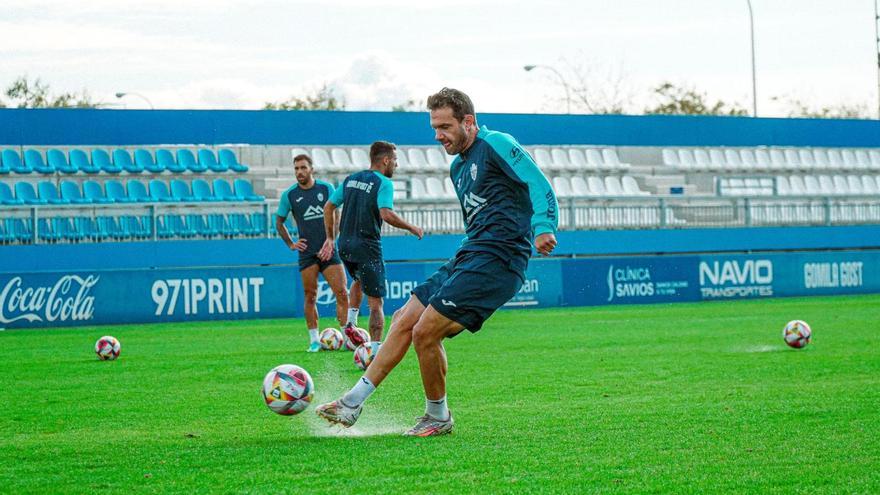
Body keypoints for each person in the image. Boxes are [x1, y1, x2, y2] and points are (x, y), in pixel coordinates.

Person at [316, 87, 558, 436]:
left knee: (425, 331)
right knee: (403, 318)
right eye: (434, 127)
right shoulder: (458, 166)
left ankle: (438, 416)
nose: (437, 135)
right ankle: (351, 403)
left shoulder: (497, 144)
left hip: (500, 258)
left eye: (444, 126)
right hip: (471, 252)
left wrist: (543, 226)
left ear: (469, 122)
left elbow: (539, 184)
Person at [317, 141, 424, 345]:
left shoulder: (351, 179)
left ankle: (350, 323)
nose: (396, 165)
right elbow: (386, 214)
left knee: (359, 279)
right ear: (385, 160)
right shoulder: (384, 183)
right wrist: (411, 227)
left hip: (345, 245)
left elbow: (329, 206)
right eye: (394, 160)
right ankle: (374, 351)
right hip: (367, 246)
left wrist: (331, 238)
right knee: (376, 304)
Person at [275, 153, 349, 353]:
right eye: (296, 168)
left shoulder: (326, 189)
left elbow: (337, 213)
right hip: (307, 252)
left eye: (303, 168)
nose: (299, 172)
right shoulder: (290, 195)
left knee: (342, 293)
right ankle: (314, 340)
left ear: (311, 169)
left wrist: (332, 238)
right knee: (310, 295)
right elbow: (279, 221)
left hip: (328, 249)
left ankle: (347, 336)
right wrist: (291, 243)